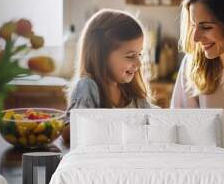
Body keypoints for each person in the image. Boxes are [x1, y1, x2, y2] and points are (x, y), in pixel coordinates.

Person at [62, 9, 155, 143]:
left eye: (139, 54)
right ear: (101, 56)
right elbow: (69, 134)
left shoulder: (131, 91)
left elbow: (153, 119)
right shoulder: (88, 87)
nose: (138, 63)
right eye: (130, 56)